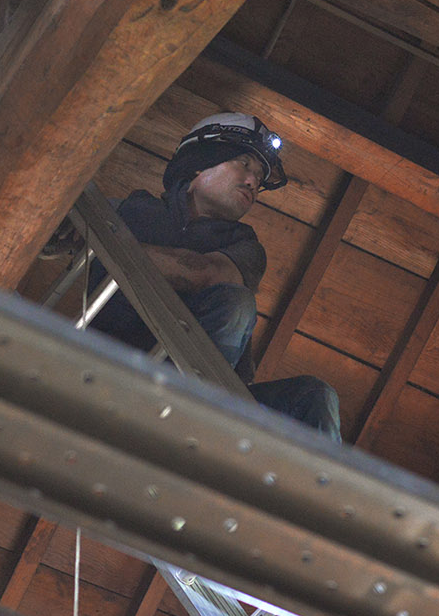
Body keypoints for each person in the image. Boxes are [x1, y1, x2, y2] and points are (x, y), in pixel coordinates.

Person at [87, 113, 341, 442]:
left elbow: (208, 274)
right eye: (244, 164)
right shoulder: (125, 213)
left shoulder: (245, 247)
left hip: (210, 408)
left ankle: (187, 426)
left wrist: (106, 244)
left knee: (313, 395)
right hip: (115, 369)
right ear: (199, 164)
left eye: (259, 177)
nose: (253, 182)